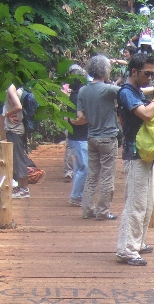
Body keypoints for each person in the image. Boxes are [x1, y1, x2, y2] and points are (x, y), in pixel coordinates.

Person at [115, 53, 154, 265]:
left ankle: (137, 243)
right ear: (134, 72)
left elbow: (147, 95)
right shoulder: (126, 93)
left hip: (144, 153)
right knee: (136, 203)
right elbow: (147, 114)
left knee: (146, 203)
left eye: (153, 74)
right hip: (134, 153)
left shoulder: (136, 91)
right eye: (147, 74)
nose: (150, 77)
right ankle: (126, 249)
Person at [75, 55, 120, 220]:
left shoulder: (83, 90)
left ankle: (87, 210)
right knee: (108, 176)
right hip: (108, 138)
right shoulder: (108, 89)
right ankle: (102, 211)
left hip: (91, 137)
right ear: (104, 71)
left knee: (92, 175)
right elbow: (130, 93)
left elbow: (81, 117)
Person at [3, 84, 41, 198]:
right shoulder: (17, 87)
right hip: (17, 128)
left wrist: (8, 114)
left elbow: (18, 106)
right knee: (17, 158)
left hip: (15, 130)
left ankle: (24, 189)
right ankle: (21, 187)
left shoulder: (10, 87)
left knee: (18, 159)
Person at [65, 66, 89, 208]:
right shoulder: (75, 97)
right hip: (79, 137)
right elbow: (74, 120)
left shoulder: (78, 95)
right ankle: (76, 196)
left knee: (79, 166)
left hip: (79, 137)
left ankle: (78, 194)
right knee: (84, 167)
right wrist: (91, 119)